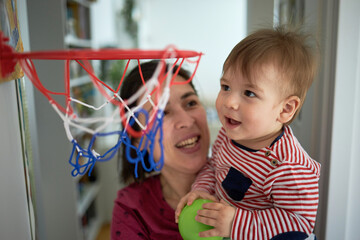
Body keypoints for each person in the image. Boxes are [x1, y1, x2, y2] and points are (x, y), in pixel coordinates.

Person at [175, 26, 321, 240]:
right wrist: (203, 189)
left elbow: (298, 224)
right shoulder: (229, 135)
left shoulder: (291, 167)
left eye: (249, 93)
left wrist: (235, 223)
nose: (230, 102)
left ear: (285, 109)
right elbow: (214, 166)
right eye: (225, 87)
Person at [111, 60, 211, 239]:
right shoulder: (132, 208)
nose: (186, 121)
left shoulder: (253, 184)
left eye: (190, 103)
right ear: (138, 140)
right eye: (161, 113)